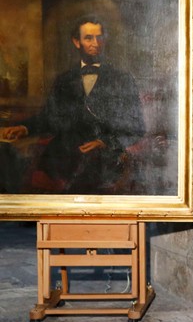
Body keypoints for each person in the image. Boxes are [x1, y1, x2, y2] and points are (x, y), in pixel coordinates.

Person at [0, 15, 145, 194]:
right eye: (89, 38)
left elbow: (137, 127)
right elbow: (49, 117)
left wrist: (104, 142)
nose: (96, 43)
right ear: (77, 42)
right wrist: (24, 128)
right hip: (63, 159)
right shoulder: (64, 79)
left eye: (99, 37)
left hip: (104, 160)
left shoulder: (123, 80)